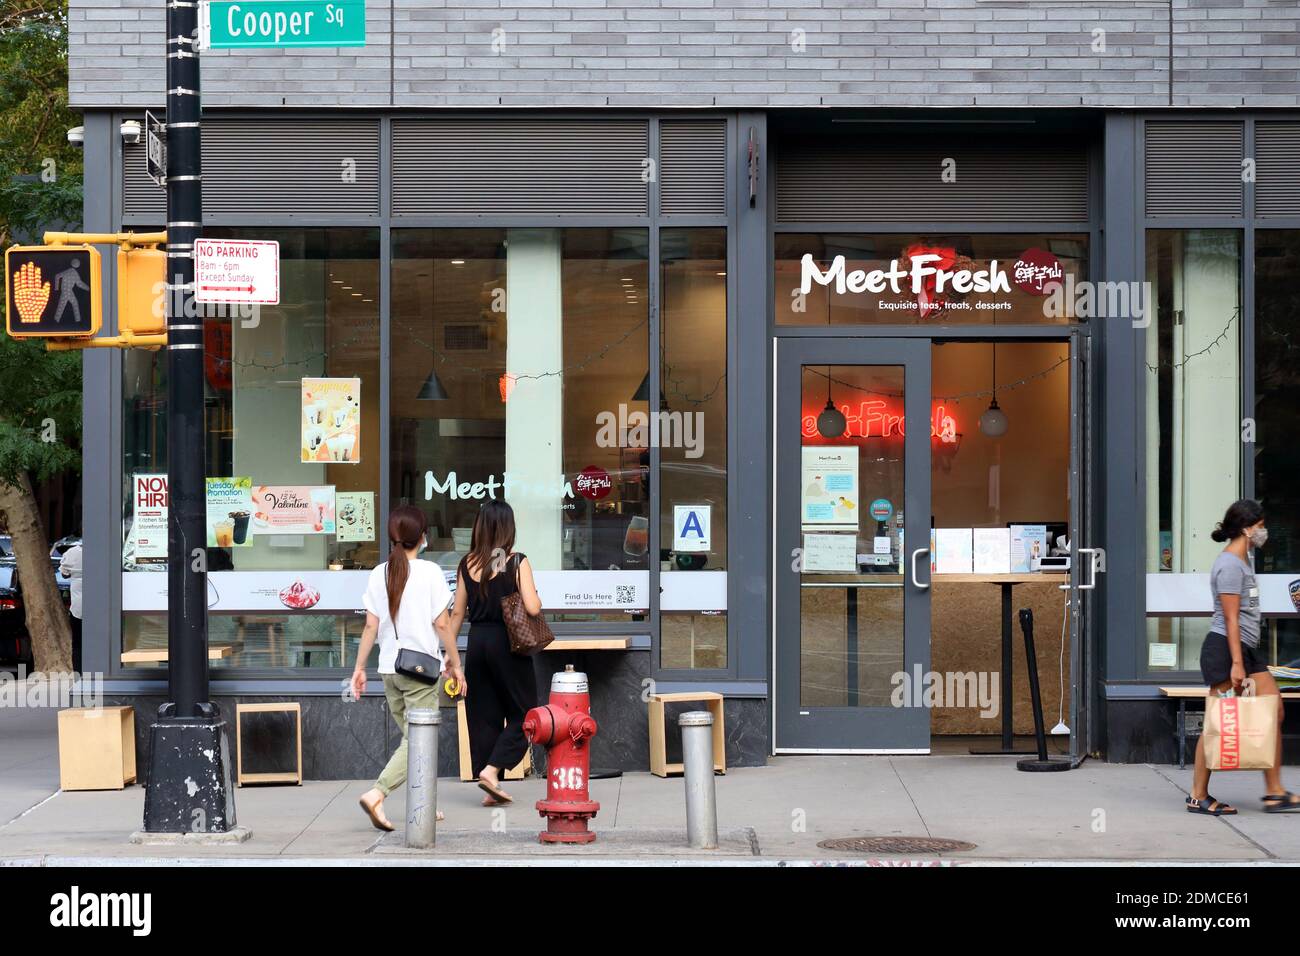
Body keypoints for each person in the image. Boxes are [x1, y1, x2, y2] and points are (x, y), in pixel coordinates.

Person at [351, 505, 466, 831]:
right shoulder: (430, 573)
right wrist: (455, 664)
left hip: (389, 670)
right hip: (419, 672)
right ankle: (377, 793)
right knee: (418, 742)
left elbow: (370, 628)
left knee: (412, 739)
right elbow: (443, 625)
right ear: (423, 537)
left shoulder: (379, 573)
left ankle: (425, 804)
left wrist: (359, 668)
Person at [1188, 498, 1300, 814]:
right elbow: (1231, 618)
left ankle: (1275, 791)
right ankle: (1198, 795)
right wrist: (1237, 663)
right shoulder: (1228, 565)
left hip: (1245, 649)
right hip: (1225, 649)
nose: (1264, 532)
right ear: (1248, 529)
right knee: (1216, 721)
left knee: (1274, 708)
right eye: (1261, 526)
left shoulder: (1243, 560)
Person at [445, 500, 543, 805]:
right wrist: (533, 592)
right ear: (508, 528)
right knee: (526, 713)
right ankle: (491, 770)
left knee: (484, 715)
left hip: (477, 643)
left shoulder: (467, 564)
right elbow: (532, 607)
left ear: (480, 527)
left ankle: (491, 783)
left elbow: (457, 613)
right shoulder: (516, 561)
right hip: (508, 643)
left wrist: (451, 655)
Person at [59, 541, 83, 674]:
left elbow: (64, 573)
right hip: (99, 607)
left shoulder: (71, 552)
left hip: (78, 608)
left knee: (78, 644)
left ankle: (78, 674)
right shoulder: (103, 550)